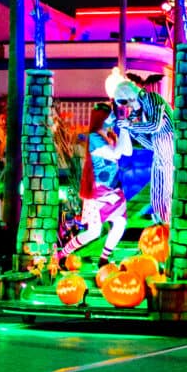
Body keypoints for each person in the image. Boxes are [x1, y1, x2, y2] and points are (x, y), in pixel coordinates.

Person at [58, 103, 133, 268]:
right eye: (110, 116)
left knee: (120, 222)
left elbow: (126, 151)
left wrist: (125, 128)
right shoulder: (94, 138)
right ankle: (62, 254)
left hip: (114, 188)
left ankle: (104, 258)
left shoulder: (111, 136)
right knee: (93, 232)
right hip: (98, 191)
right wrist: (125, 128)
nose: (113, 119)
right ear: (101, 118)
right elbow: (115, 153)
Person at [113, 80, 174, 224]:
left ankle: (166, 220)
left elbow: (154, 125)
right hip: (159, 148)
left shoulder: (151, 98)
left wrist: (130, 126)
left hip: (168, 144)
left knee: (166, 187)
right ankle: (161, 220)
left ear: (130, 97)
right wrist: (129, 128)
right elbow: (147, 140)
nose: (126, 107)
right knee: (157, 188)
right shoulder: (139, 109)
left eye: (125, 102)